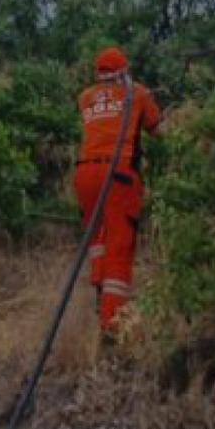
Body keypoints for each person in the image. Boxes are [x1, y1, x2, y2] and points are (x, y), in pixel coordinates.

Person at [74, 46, 162, 332]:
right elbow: (158, 130)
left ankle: (100, 294)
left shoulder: (85, 98)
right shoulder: (137, 92)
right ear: (124, 70)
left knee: (97, 239)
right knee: (120, 244)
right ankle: (113, 325)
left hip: (85, 173)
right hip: (118, 174)